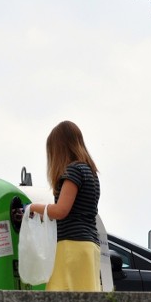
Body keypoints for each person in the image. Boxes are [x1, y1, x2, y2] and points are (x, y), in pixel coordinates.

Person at [24, 120, 101, 292]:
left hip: (71, 246)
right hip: (89, 246)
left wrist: (32, 208)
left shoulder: (73, 171)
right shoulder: (91, 173)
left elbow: (61, 211)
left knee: (60, 297)